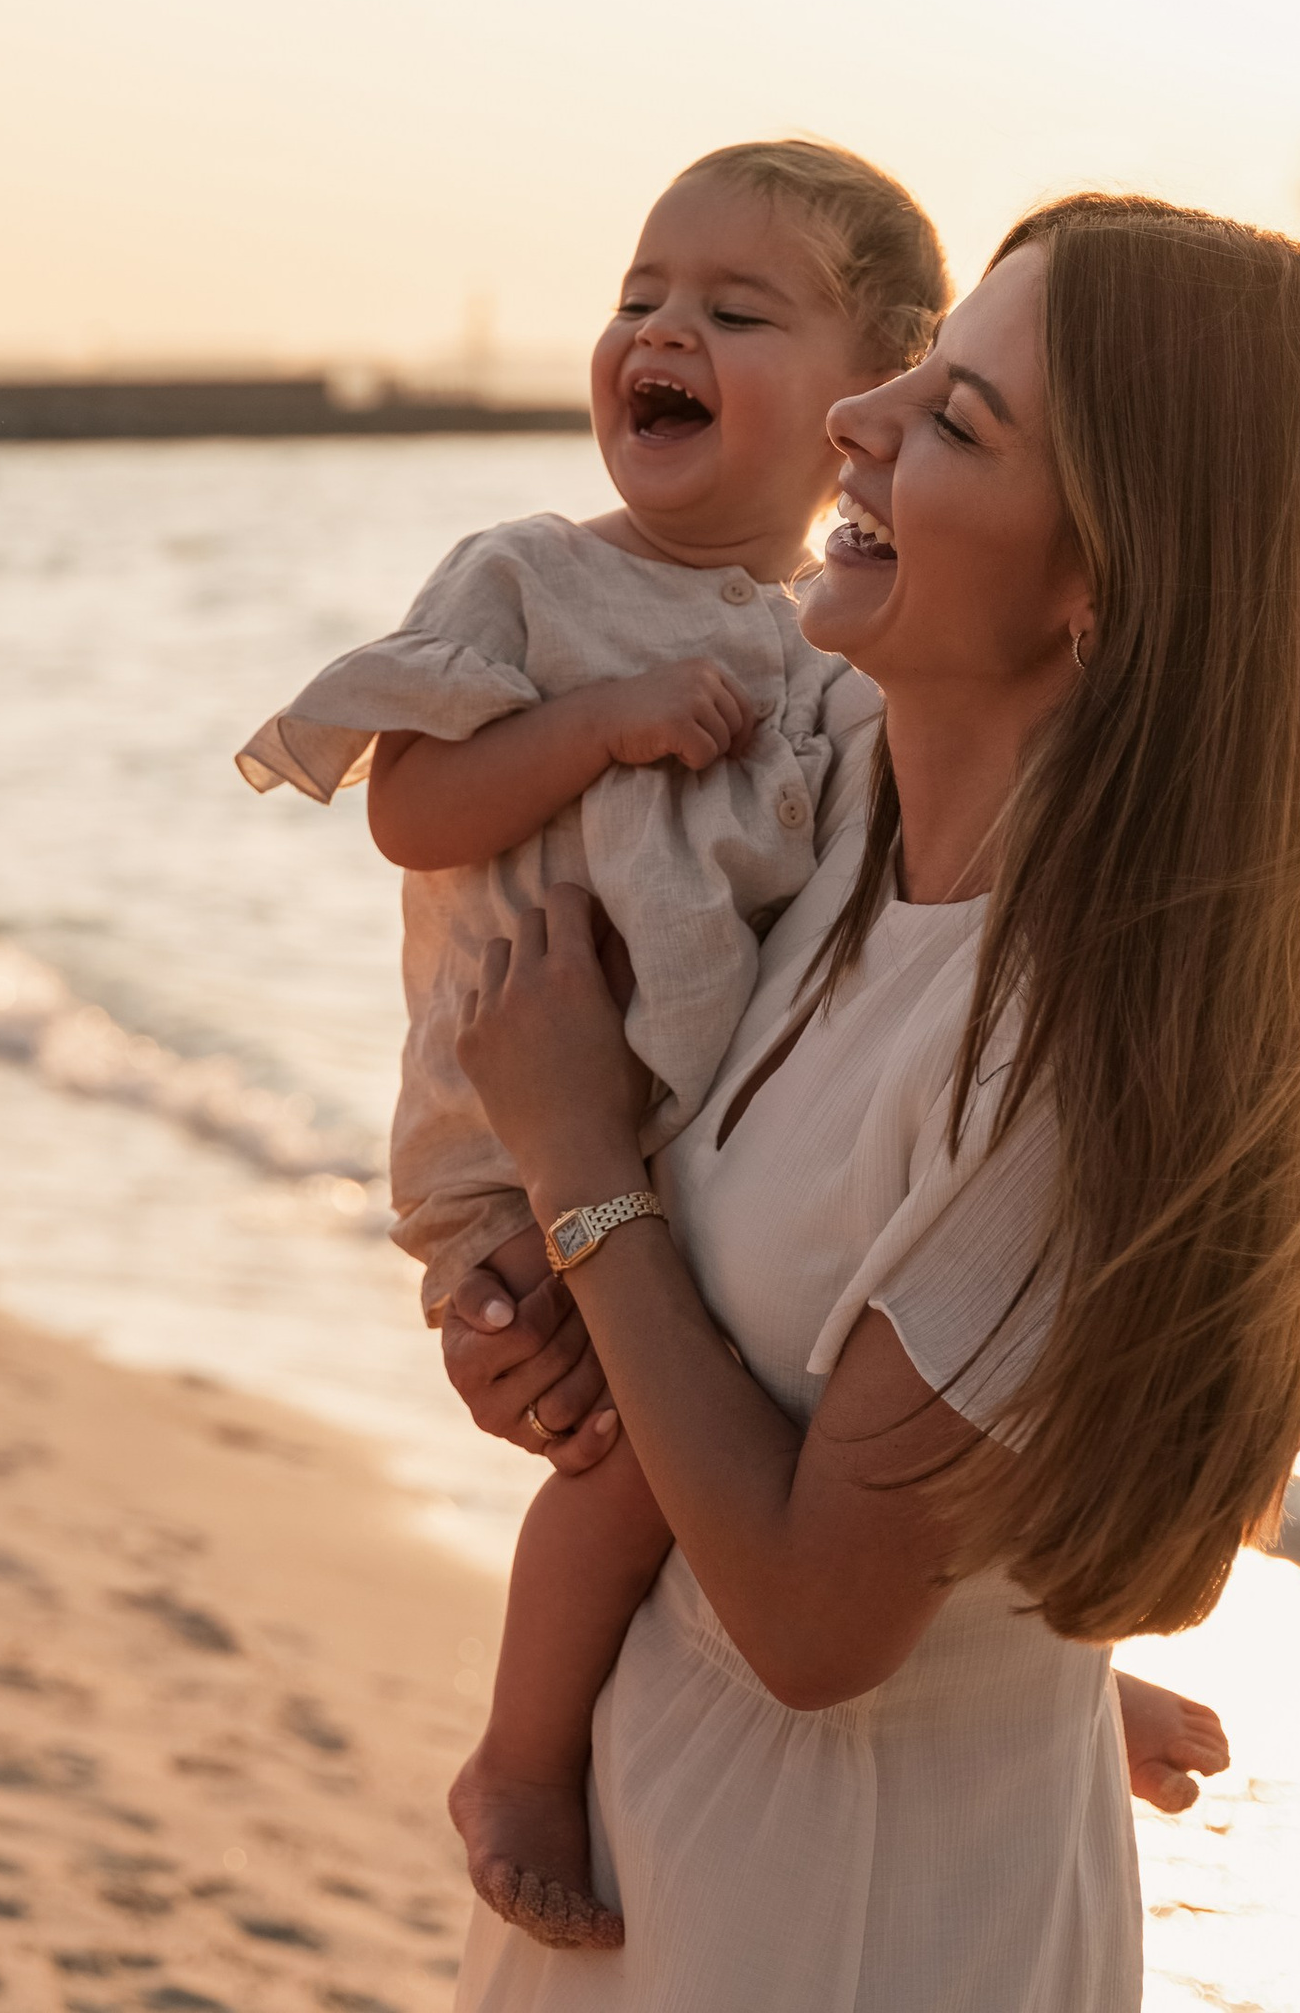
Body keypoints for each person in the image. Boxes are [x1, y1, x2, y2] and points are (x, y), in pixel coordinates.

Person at [441, 196, 1300, 2010]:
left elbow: (823, 1624)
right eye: (908, 368)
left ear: (1110, 583)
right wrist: (530, 1292)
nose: (857, 420)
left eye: (958, 420)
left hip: (854, 1921)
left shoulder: (1071, 1048)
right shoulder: (822, 836)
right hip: (658, 1841)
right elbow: (729, 1317)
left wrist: (580, 1168)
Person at [239, 141, 947, 1942]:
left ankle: (1041, 1687)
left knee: (801, 1408)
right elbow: (414, 808)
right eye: (641, 295)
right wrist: (611, 723)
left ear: (876, 388)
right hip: (515, 1130)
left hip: (686, 1156)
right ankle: (524, 1754)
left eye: (733, 307)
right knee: (638, 1442)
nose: (661, 329)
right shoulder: (536, 581)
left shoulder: (834, 655)